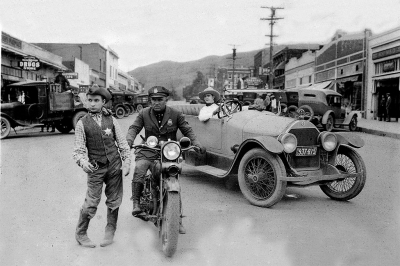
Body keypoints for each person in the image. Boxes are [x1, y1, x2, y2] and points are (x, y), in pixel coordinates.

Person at [126, 86, 205, 234]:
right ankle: (136, 203)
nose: (156, 102)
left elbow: (188, 130)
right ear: (150, 100)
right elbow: (134, 128)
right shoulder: (143, 113)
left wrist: (197, 143)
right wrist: (129, 140)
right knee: (140, 168)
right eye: (153, 100)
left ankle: (177, 219)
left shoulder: (175, 114)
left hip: (169, 153)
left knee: (174, 180)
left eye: (160, 100)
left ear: (166, 100)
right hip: (149, 150)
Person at [72, 84, 131, 248]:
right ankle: (81, 234)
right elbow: (78, 151)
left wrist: (126, 163)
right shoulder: (82, 124)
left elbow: (123, 144)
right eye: (89, 100)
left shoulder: (111, 119)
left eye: (96, 100)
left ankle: (109, 233)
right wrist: (83, 162)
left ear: (103, 101)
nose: (92, 104)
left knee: (114, 200)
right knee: (91, 202)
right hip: (95, 167)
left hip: (114, 166)